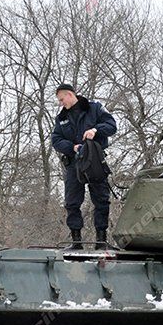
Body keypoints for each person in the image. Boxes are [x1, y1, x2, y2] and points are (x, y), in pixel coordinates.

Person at [51, 83, 118, 250]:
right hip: (74, 162)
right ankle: (76, 242)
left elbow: (111, 126)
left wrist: (95, 130)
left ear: (70, 94)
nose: (61, 103)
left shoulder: (94, 108)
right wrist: (72, 147)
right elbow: (56, 140)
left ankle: (101, 241)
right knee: (72, 202)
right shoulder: (61, 118)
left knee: (101, 200)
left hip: (95, 159)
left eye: (62, 99)